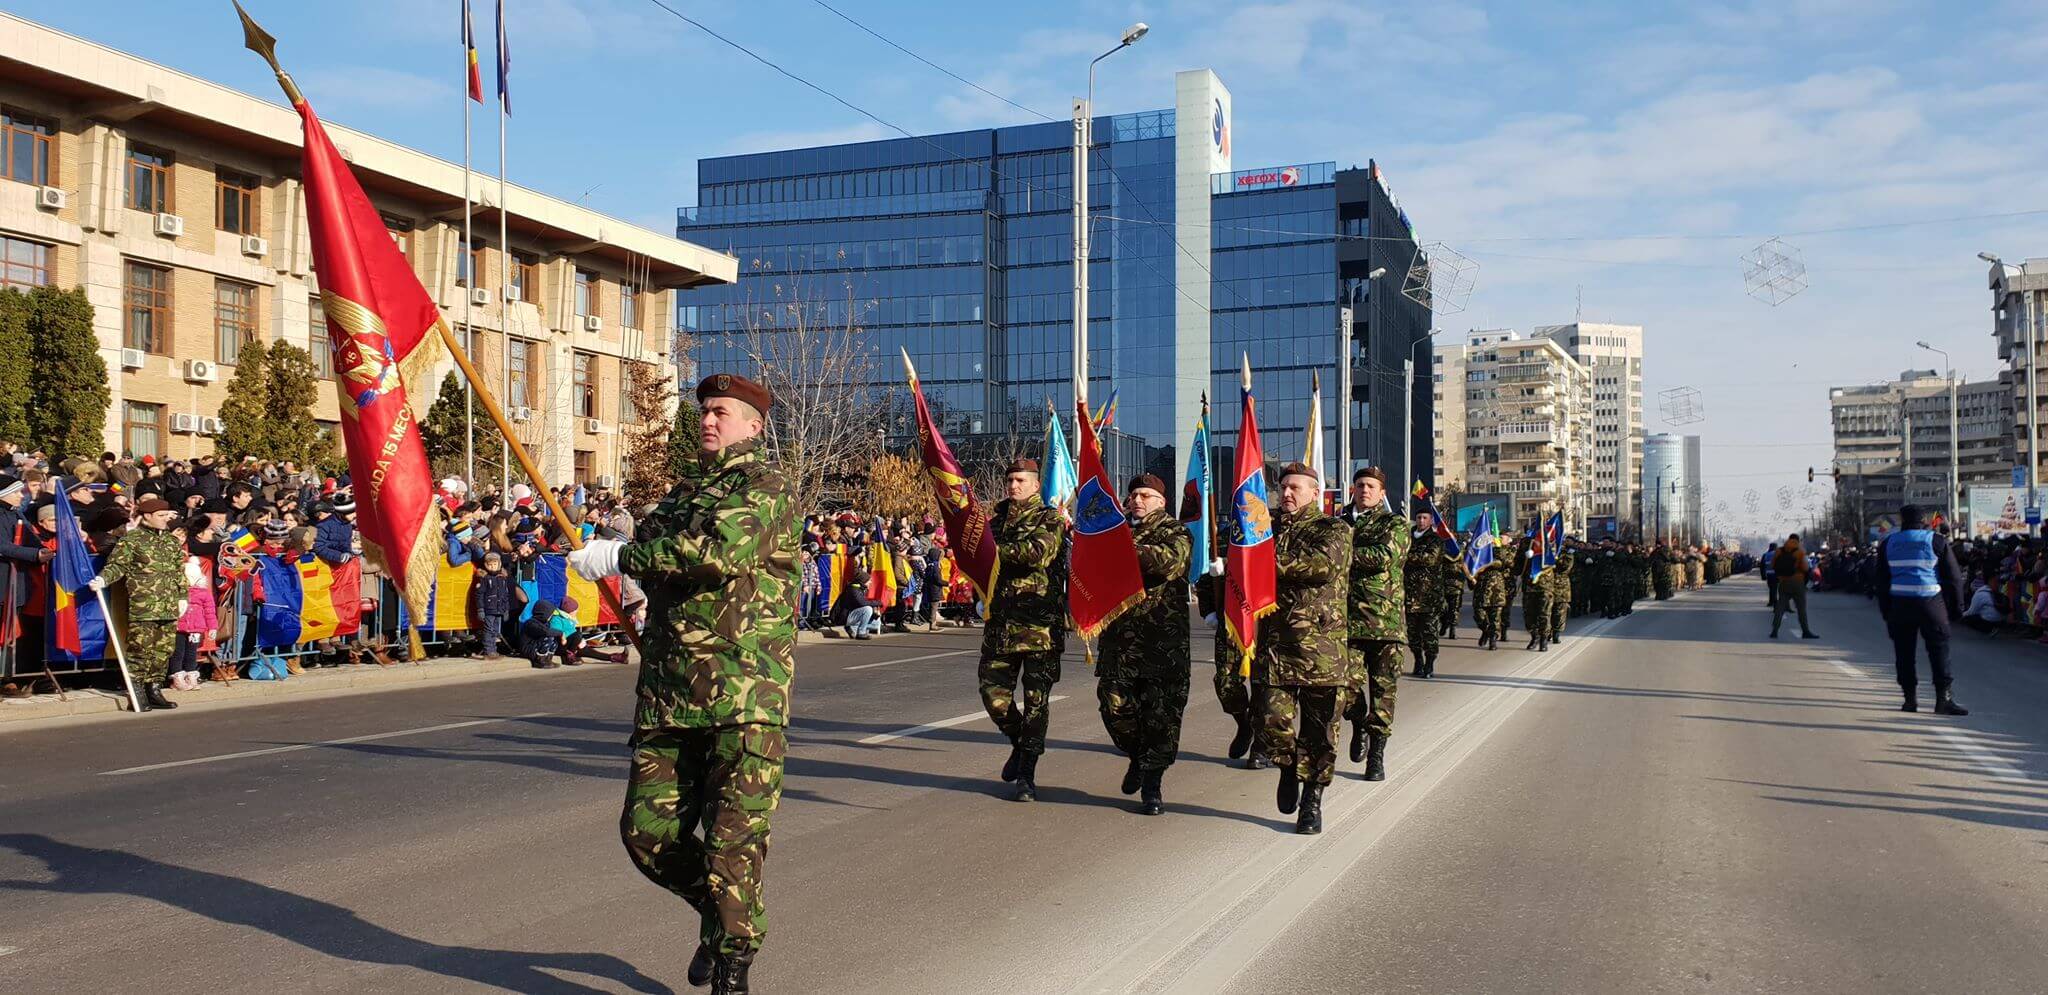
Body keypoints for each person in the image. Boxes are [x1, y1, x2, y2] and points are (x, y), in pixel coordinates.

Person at [567, 372, 796, 994]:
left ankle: (734, 960)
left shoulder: (766, 488)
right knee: (648, 835)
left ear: (754, 425)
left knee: (731, 846)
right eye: (704, 410)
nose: (708, 419)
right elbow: (659, 555)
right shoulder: (680, 496)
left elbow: (714, 553)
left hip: (742, 700)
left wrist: (621, 556)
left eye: (722, 411)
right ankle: (717, 915)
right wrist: (613, 553)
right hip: (670, 699)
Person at [1257, 462, 1352, 835]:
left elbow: (1321, 566)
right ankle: (1286, 765)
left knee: (1320, 732)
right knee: (1270, 719)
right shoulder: (1263, 529)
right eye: (1283, 487)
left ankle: (1312, 801)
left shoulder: (1333, 529)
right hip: (1275, 646)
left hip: (1320, 650)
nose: (1287, 493)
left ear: (1316, 493)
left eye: (1295, 487)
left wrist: (1259, 561)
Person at [1096, 474, 1192, 815]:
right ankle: (1137, 755)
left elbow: (1170, 562)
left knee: (1160, 719)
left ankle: (1152, 784)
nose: (1138, 500)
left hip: (1161, 645)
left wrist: (1118, 548)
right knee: (1114, 708)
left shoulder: (1175, 531)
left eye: (1146, 495)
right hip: (1120, 643)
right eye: (1134, 494)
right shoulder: (1114, 531)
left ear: (1161, 502)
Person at [977, 457, 1069, 802]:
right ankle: (1019, 742)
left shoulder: (1050, 519)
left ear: (1035, 485)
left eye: (1020, 480)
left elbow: (1038, 553)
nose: (1013, 486)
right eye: (1010, 480)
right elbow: (980, 563)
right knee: (993, 695)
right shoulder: (994, 523)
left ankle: (1027, 774)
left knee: (1035, 704)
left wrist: (992, 551)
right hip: (1001, 625)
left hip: (1039, 629)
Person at [89, 497, 187, 711]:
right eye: (160, 516)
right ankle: (137, 690)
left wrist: (182, 597)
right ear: (147, 517)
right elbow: (117, 565)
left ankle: (154, 689)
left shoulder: (171, 541)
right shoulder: (132, 540)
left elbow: (179, 572)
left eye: (166, 515)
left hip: (168, 604)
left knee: (164, 650)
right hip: (144, 605)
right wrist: (103, 579)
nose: (165, 519)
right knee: (140, 650)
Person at [1344, 467, 1407, 782]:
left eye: (1370, 486)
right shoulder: (1340, 522)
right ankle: (1358, 725)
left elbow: (1384, 555)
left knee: (1383, 694)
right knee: (1346, 689)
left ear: (1382, 493)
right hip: (1346, 623)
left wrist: (1342, 552)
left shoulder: (1394, 523)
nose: (1364, 490)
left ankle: (1377, 756)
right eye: (1360, 485)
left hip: (1385, 625)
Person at [1876, 505, 1967, 715]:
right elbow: (1954, 578)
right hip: (1931, 604)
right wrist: (1957, 609)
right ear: (1924, 520)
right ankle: (1943, 700)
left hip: (1900, 604)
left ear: (1902, 521)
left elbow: (1881, 581)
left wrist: (1886, 610)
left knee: (1904, 654)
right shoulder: (1935, 540)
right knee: (1939, 651)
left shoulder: (1888, 543)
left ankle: (1910, 700)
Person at [1771, 534, 1818, 639]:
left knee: (1780, 607)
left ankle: (1775, 630)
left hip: (1783, 582)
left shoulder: (1779, 551)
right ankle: (1805, 631)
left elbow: (1773, 565)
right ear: (1798, 540)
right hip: (1798, 582)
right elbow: (1805, 568)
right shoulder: (1800, 552)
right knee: (1801, 608)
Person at [473, 552, 512, 660]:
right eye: (490, 565)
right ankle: (488, 651)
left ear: (499, 564)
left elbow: (505, 595)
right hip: (489, 609)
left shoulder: (502, 578)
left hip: (499, 609)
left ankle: (494, 650)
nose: (492, 567)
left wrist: (506, 609)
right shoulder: (485, 578)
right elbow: (479, 594)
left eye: (494, 564)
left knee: (495, 631)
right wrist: (480, 609)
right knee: (488, 630)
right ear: (486, 565)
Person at [1762, 542, 1780, 609]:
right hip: (1776, 574)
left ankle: (1771, 601)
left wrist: (1763, 575)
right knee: (1775, 589)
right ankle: (1775, 603)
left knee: (1771, 588)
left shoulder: (1765, 554)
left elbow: (1762, 566)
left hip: (1769, 574)